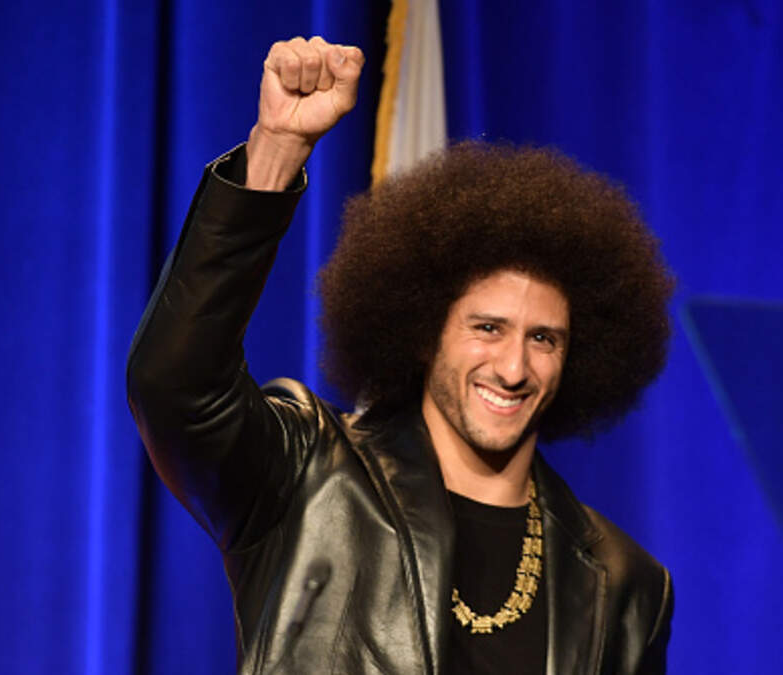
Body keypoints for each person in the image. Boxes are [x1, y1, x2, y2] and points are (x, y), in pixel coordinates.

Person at [127, 35, 676, 674]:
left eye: (543, 338)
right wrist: (276, 149)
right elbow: (176, 386)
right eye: (488, 328)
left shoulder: (627, 584)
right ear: (423, 329)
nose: (513, 368)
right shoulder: (307, 474)